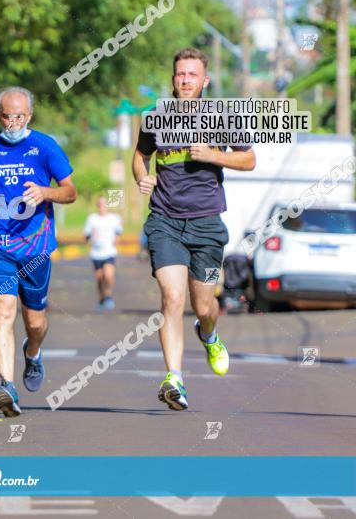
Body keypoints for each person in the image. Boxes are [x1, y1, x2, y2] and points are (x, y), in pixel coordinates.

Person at [133, 47, 255, 410]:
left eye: (192, 75)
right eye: (179, 74)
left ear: (205, 80)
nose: (185, 80)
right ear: (173, 79)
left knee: (204, 306)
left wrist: (213, 155)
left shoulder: (221, 117)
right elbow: (140, 156)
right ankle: (174, 379)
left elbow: (248, 159)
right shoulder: (156, 117)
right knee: (172, 298)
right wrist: (143, 177)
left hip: (206, 223)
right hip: (164, 220)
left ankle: (209, 334)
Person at [0, 86, 76, 417]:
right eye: (7, 116)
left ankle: (33, 352)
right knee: (3, 310)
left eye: (20, 116)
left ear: (30, 115)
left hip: (35, 243)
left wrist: (44, 192)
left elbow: (70, 191)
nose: (13, 123)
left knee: (35, 322)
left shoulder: (44, 146)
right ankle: (6, 386)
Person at [84, 196, 122, 310]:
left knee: (109, 275)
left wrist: (116, 241)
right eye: (100, 204)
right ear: (97, 206)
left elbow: (118, 233)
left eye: (104, 204)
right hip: (96, 253)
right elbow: (86, 236)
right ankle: (101, 298)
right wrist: (91, 237)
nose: (102, 207)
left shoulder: (114, 218)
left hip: (109, 252)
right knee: (100, 277)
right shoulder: (92, 219)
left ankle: (108, 296)